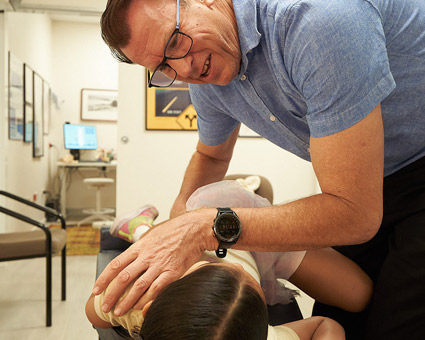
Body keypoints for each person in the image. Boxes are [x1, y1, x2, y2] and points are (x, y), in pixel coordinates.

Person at [95, 1, 425, 339]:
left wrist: (203, 228)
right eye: (164, 67)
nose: (184, 70)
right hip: (372, 178)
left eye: (174, 43)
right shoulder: (206, 73)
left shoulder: (318, 21)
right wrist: (178, 226)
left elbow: (355, 213)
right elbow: (211, 156)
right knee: (343, 314)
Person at [87, 180, 372, 340]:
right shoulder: (257, 338)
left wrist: (116, 297)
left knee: (360, 293)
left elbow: (93, 311)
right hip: (235, 254)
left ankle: (140, 228)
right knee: (359, 297)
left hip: (241, 238)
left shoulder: (131, 304)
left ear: (146, 314)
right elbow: (327, 327)